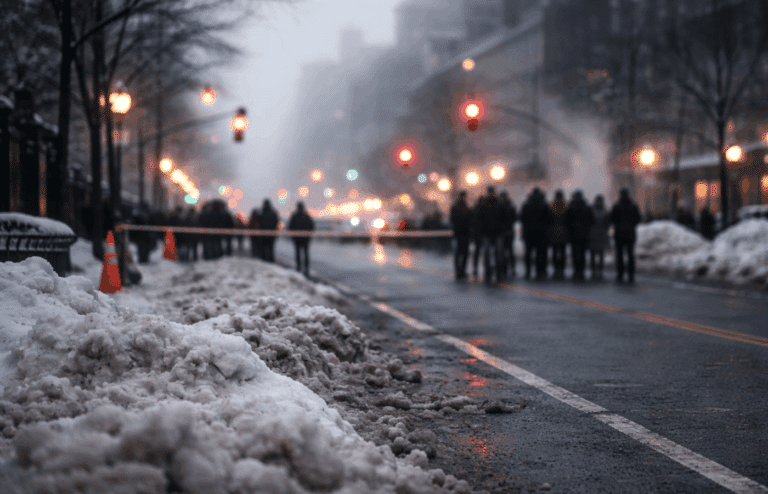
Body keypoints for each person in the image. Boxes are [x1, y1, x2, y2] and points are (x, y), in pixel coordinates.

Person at [610, 188, 642, 283]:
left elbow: (612, 218)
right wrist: (630, 225)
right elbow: (638, 219)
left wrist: (618, 225)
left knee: (619, 255)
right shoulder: (633, 206)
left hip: (619, 234)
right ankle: (631, 275)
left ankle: (620, 275)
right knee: (630, 255)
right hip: (630, 234)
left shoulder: (616, 206)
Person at [521, 188, 550, 280]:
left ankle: (528, 271)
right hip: (541, 233)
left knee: (528, 253)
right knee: (541, 253)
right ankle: (540, 271)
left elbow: (522, 218)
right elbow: (549, 220)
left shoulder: (526, 205)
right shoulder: (544, 205)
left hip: (528, 233)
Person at [564, 190, 594, 281]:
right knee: (583, 254)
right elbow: (592, 221)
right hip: (584, 234)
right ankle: (581, 272)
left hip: (573, 234)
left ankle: (576, 272)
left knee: (574, 254)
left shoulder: (571, 207)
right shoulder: (587, 207)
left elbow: (566, 221)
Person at [478, 186, 504, 283]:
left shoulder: (484, 204)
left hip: (490, 232)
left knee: (490, 254)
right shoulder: (499, 203)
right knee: (495, 253)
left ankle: (491, 271)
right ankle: (495, 271)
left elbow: (479, 219)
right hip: (494, 232)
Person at [450, 191, 472, 280]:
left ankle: (461, 270)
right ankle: (459, 270)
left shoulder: (461, 207)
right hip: (460, 233)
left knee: (463, 253)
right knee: (460, 253)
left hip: (463, 233)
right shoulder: (459, 207)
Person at [288, 202, 314, 276]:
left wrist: (293, 236)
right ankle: (306, 268)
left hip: (297, 239)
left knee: (298, 253)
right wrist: (308, 236)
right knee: (306, 254)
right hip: (305, 239)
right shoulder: (306, 216)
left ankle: (298, 267)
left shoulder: (294, 216)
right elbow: (311, 226)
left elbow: (290, 227)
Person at [548, 190, 569, 279]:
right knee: (563, 253)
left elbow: (548, 220)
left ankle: (556, 270)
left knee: (555, 252)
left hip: (554, 232)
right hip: (564, 233)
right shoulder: (566, 206)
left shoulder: (551, 206)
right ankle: (562, 270)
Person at [589, 195, 610, 279]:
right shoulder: (605, 211)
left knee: (593, 254)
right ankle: (600, 270)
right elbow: (608, 223)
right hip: (602, 234)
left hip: (593, 234)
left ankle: (594, 270)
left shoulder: (591, 210)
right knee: (601, 254)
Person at [499, 191, 517, 279]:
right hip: (509, 231)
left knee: (502, 251)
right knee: (510, 251)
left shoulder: (499, 207)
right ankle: (512, 268)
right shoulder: (511, 206)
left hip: (502, 232)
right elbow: (515, 218)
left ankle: (503, 268)